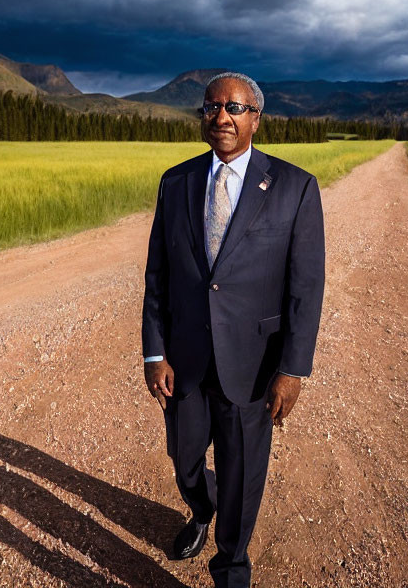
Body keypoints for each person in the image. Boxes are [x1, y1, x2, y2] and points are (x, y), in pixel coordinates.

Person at [141, 72, 325, 588]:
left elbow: (305, 290)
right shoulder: (175, 182)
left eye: (235, 108)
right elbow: (158, 275)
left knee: (243, 479)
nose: (221, 117)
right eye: (212, 107)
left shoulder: (295, 187)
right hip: (188, 359)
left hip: (254, 364)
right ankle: (202, 508)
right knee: (184, 461)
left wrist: (293, 369)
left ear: (255, 119)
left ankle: (231, 568)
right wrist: (155, 352)